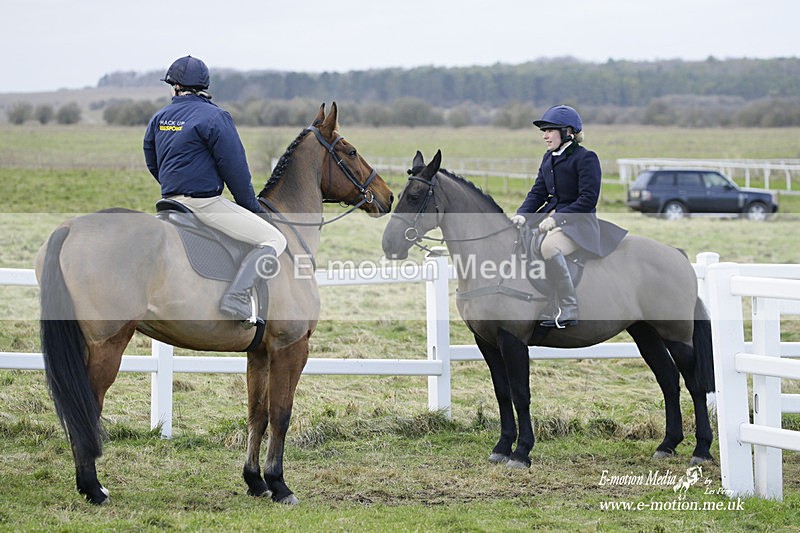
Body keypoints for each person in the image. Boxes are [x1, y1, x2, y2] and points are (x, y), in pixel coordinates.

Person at [144, 55, 287, 325]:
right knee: (274, 240)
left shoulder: (159, 118)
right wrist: (253, 209)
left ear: (174, 87)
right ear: (204, 86)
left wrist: (173, 186)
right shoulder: (215, 117)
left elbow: (152, 160)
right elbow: (235, 169)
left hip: (170, 201)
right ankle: (236, 297)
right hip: (204, 204)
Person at [511, 105, 625, 328]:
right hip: (548, 220)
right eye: (544, 131)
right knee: (521, 241)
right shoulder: (548, 158)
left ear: (567, 132)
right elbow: (538, 192)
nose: (545, 136)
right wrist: (522, 215)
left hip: (578, 224)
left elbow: (587, 200)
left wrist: (557, 219)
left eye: (550, 131)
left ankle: (568, 306)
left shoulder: (586, 158)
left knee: (549, 248)